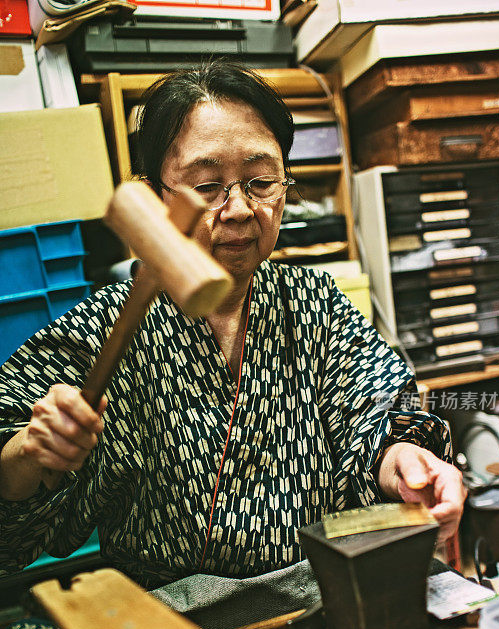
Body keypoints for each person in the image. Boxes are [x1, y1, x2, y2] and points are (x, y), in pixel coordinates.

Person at [0, 61, 466, 591]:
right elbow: (9, 457)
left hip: (315, 595)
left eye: (261, 181)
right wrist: (28, 453)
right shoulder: (110, 325)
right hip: (172, 617)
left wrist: (407, 462)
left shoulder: (313, 303)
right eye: (207, 186)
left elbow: (378, 412)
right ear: (156, 197)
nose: (241, 208)